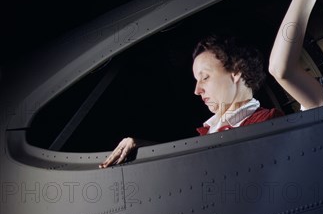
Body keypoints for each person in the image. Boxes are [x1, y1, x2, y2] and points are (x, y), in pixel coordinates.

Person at [100, 34, 283, 168]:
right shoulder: (210, 132)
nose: (197, 90)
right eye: (196, 80)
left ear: (236, 72)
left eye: (205, 78)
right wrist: (142, 148)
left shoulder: (270, 123)